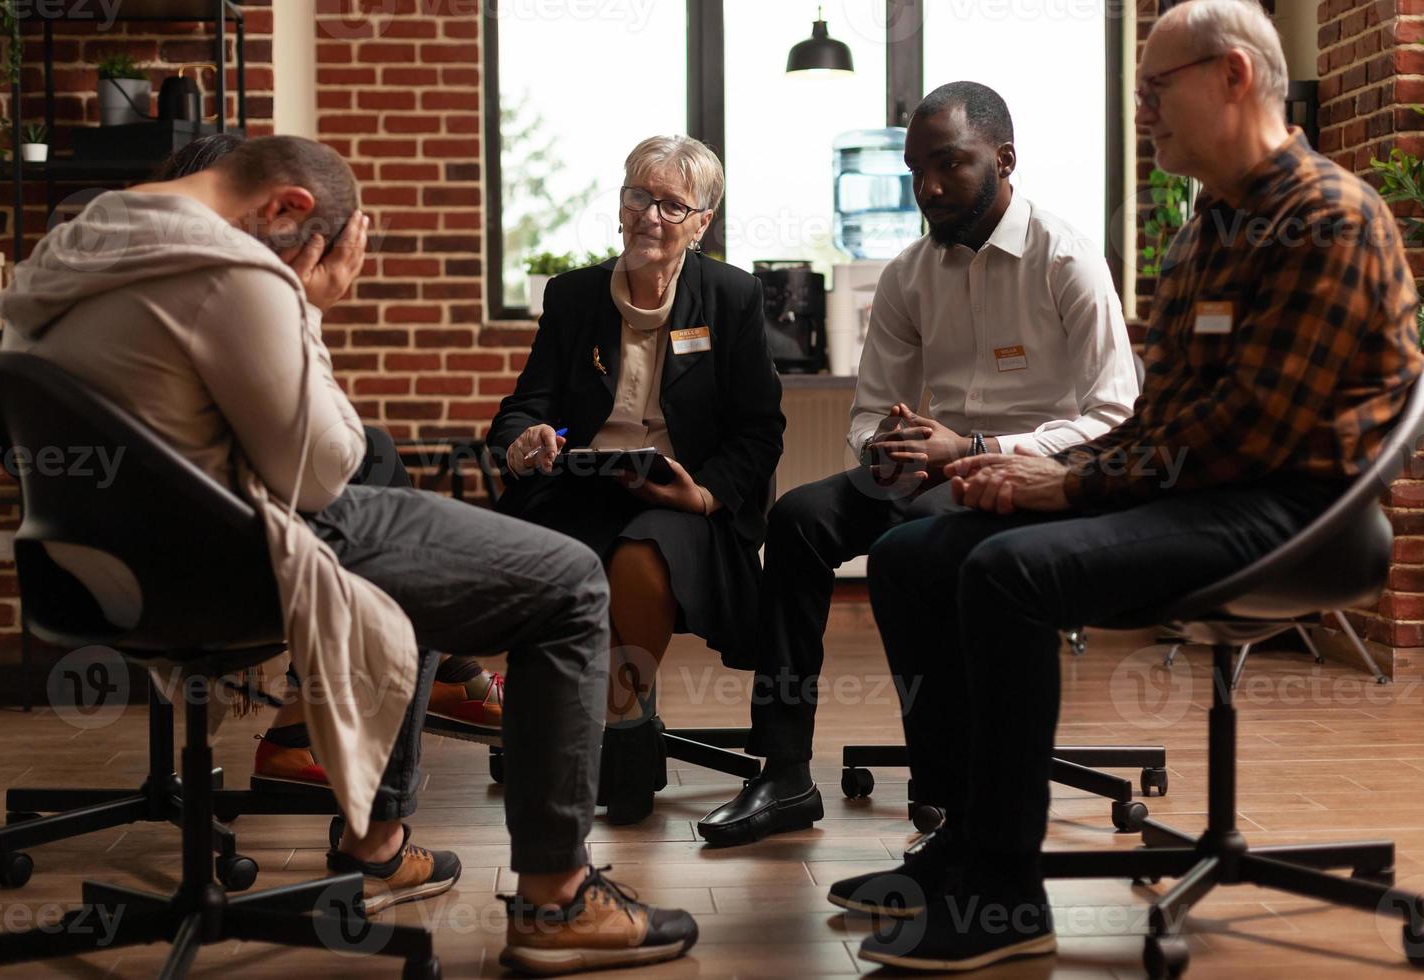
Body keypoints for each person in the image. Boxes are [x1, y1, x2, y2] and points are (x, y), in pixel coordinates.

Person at [0, 134, 697, 974]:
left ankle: (379, 841)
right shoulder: (233, 270)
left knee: (419, 520)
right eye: (336, 252)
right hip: (237, 556)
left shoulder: (80, 246)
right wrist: (308, 296)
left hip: (102, 567)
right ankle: (556, 900)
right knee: (569, 581)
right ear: (292, 211)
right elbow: (325, 469)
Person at [826, 1, 1424, 972]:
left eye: (1156, 88)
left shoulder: (1328, 217)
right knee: (908, 556)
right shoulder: (1204, 233)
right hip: (1200, 491)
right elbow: (1162, 422)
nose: (1144, 110)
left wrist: (1064, 489)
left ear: (1232, 77)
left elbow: (1251, 434)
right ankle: (962, 838)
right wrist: (1038, 468)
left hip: (1296, 510)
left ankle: (1007, 894)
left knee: (1008, 573)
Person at [697, 81, 1140, 847]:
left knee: (915, 548)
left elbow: (1114, 417)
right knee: (799, 519)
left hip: (1036, 478)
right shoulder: (909, 274)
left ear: (1005, 159)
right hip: (936, 467)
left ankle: (942, 803)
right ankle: (783, 770)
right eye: (915, 172)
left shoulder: (1066, 259)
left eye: (949, 165)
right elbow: (873, 407)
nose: (928, 188)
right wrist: (887, 446)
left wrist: (975, 451)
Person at [152, 134, 506, 793]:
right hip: (207, 558)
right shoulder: (220, 296)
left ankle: (342, 715)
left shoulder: (139, 286)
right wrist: (304, 308)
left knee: (374, 461)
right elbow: (313, 464)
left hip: (124, 552)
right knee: (393, 525)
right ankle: (352, 757)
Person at [487, 134, 785, 825]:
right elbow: (524, 407)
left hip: (682, 497)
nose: (650, 215)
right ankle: (585, 731)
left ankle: (623, 726)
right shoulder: (574, 296)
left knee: (640, 559)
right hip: (579, 484)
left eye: (672, 205)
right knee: (550, 559)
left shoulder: (732, 297)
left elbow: (758, 430)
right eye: (638, 197)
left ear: (702, 222)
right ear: (621, 204)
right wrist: (525, 442)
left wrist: (703, 491)